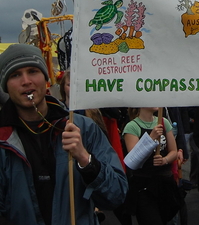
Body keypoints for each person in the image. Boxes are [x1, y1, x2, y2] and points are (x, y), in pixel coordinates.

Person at [0, 43, 127, 225]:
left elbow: (116, 195)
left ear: (46, 79)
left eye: (33, 71)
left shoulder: (82, 128)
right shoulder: (3, 139)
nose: (26, 81)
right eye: (15, 75)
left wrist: (86, 161)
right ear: (5, 86)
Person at [122, 107, 183, 225]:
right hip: (144, 186)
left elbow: (173, 152)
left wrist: (165, 160)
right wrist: (151, 138)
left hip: (165, 183)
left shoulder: (163, 122)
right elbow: (133, 160)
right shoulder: (132, 126)